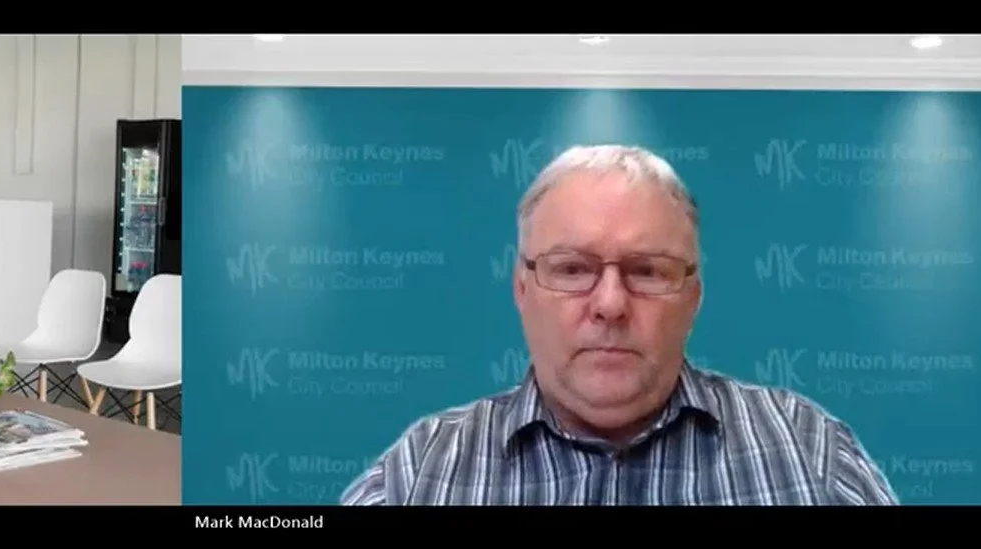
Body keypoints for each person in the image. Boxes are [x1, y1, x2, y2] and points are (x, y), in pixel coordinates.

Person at [341, 145, 898, 506]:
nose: (610, 303)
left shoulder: (810, 453)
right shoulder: (418, 474)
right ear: (521, 289)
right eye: (572, 268)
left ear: (694, 296)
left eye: (648, 271)